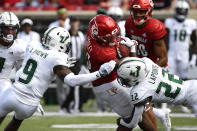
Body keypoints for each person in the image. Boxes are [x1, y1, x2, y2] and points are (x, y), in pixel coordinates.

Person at [0, 26, 116, 131]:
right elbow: (72, 81)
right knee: (16, 121)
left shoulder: (32, 45)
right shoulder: (58, 57)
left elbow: (35, 65)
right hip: (30, 104)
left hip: (12, 94)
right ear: (59, 43)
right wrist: (100, 73)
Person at [86, 14, 158, 131]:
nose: (115, 39)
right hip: (108, 85)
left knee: (143, 107)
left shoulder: (93, 33)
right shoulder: (101, 53)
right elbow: (130, 68)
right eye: (111, 37)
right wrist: (133, 49)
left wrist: (118, 43)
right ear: (101, 38)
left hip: (112, 79)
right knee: (134, 117)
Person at [125, 0, 171, 130]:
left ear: (149, 11)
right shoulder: (129, 23)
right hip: (139, 66)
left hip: (156, 67)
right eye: (135, 11)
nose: (138, 14)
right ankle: (160, 113)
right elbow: (128, 46)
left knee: (139, 104)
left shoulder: (154, 27)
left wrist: (145, 72)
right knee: (135, 101)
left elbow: (162, 58)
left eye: (142, 11)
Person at [117, 56, 197, 128]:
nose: (123, 81)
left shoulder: (140, 91)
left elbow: (133, 123)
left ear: (134, 77)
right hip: (192, 84)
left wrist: (122, 122)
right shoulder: (147, 62)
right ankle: (160, 113)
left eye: (125, 79)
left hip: (193, 97)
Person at [165, 0, 197, 80]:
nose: (182, 13)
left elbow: (195, 41)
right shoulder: (169, 21)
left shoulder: (191, 23)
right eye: (180, 11)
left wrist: (193, 57)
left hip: (184, 54)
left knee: (184, 78)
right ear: (176, 10)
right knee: (169, 78)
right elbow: (165, 40)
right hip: (171, 54)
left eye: (183, 11)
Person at [60, 16, 86, 113]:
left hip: (78, 62)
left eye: (76, 22)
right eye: (73, 22)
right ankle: (76, 107)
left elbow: (83, 48)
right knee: (76, 85)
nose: (75, 24)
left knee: (76, 85)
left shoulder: (80, 34)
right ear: (70, 23)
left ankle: (65, 105)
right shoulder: (66, 34)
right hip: (69, 62)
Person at [0, 12, 27, 94]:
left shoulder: (20, 47)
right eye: (7, 29)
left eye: (13, 29)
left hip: (3, 81)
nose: (10, 32)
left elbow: (22, 73)